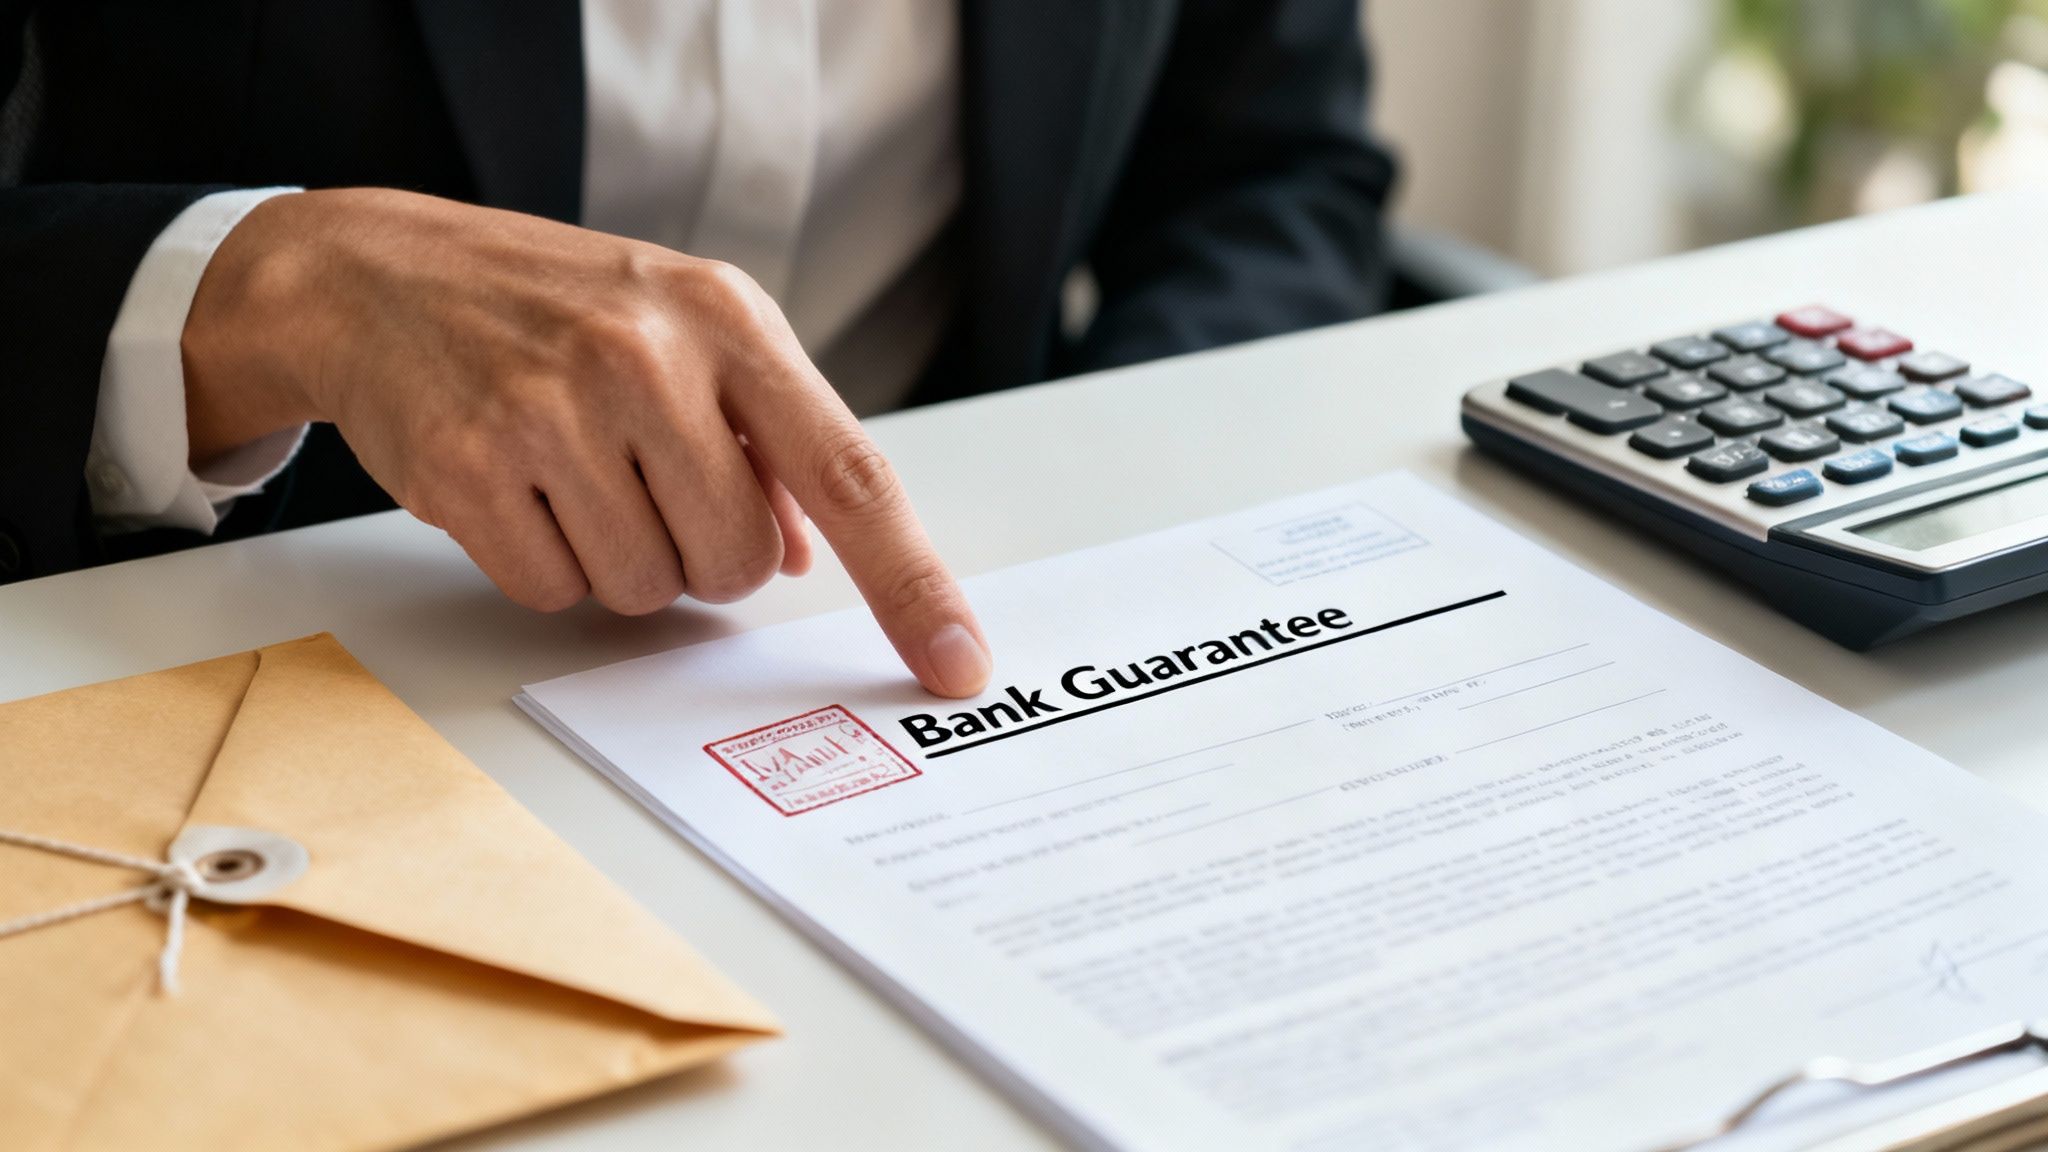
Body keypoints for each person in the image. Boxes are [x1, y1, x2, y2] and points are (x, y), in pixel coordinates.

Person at [0, 1, 1395, 698]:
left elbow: (1268, 173)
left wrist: (1104, 533)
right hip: (259, 669)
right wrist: (276, 286)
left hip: (943, 667)